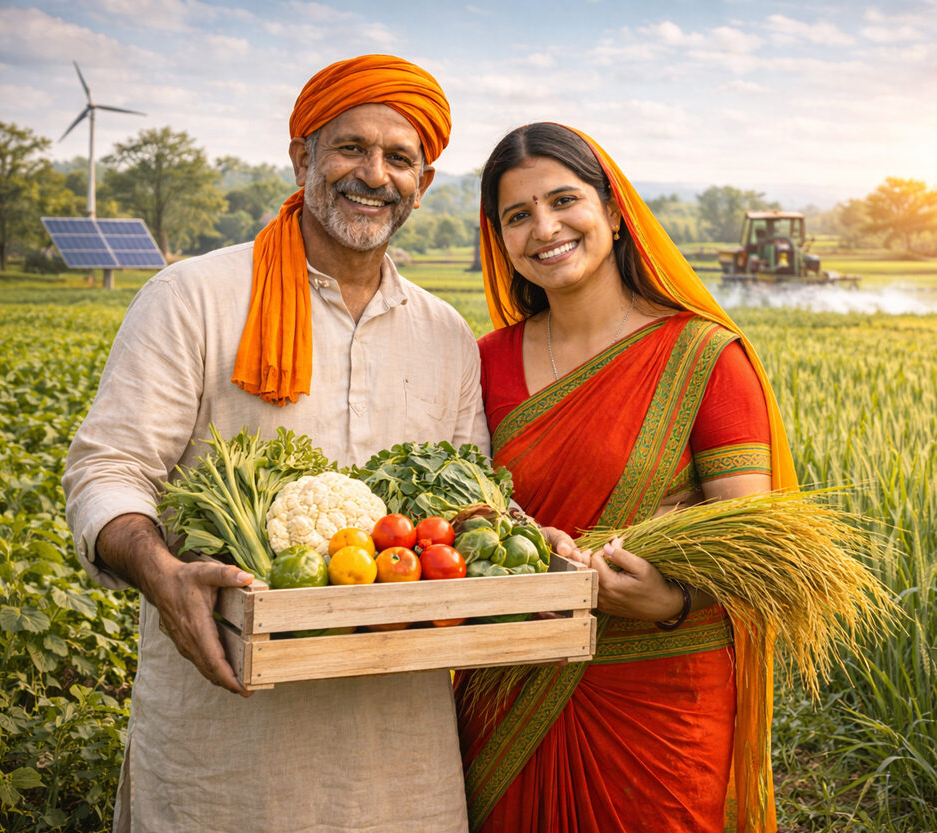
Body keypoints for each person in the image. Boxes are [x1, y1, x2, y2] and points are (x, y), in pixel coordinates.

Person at [63, 55, 487, 833]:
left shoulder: (448, 335)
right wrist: (160, 570)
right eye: (350, 147)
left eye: (399, 158)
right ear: (303, 157)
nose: (374, 173)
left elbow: (465, 510)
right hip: (224, 728)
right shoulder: (192, 298)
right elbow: (108, 471)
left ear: (422, 185)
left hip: (397, 741)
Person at [454, 123, 799, 833]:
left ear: (613, 211)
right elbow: (447, 516)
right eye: (518, 215)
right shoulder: (481, 363)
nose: (544, 228)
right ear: (501, 240)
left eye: (563, 200)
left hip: (663, 698)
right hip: (512, 687)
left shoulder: (702, 357)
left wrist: (670, 597)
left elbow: (756, 548)